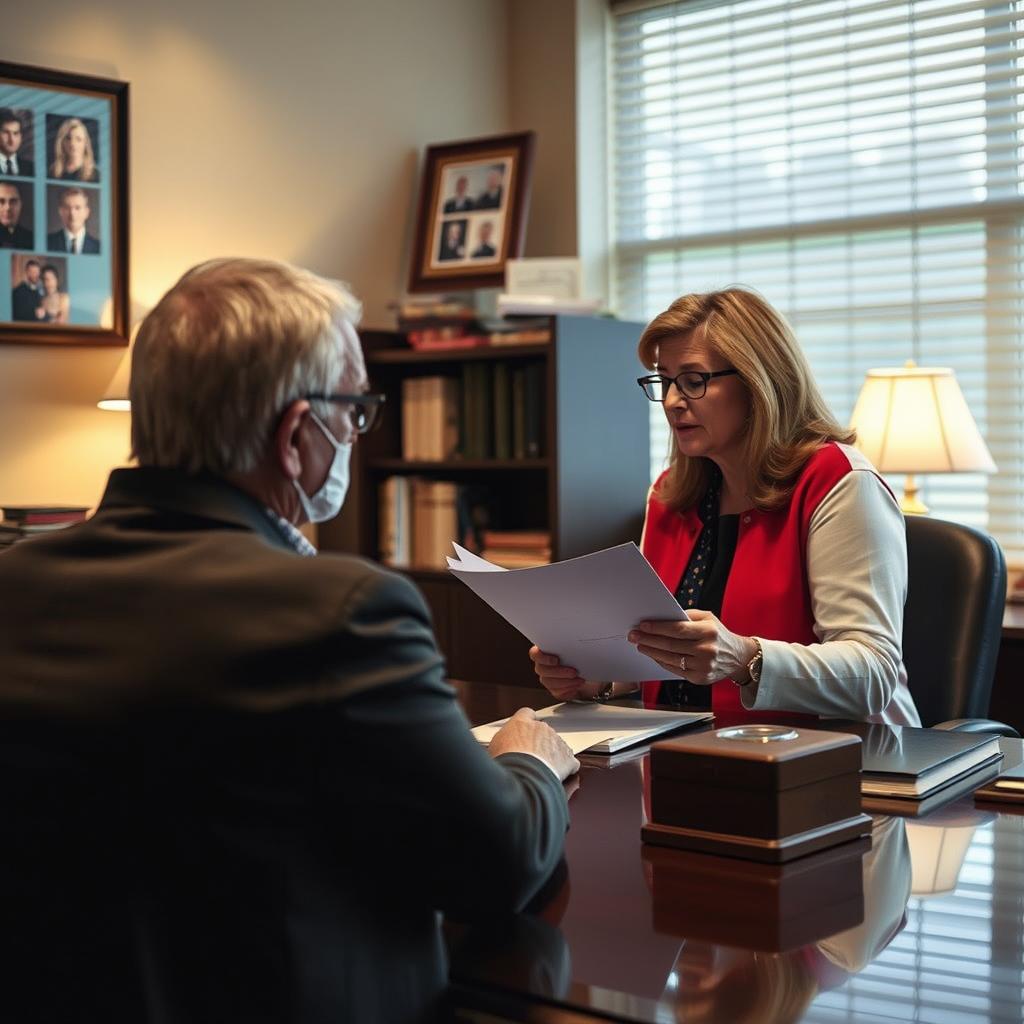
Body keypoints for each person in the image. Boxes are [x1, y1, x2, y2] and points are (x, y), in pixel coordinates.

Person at [0, 257, 577, 1023]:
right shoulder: (339, 612)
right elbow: (495, 864)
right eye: (355, 412)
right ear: (297, 434)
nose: (356, 434)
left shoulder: (15, 583)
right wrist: (529, 762)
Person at [530, 287, 920, 727]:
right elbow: (669, 656)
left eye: (694, 380)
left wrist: (746, 658)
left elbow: (872, 674)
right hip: (691, 747)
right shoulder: (669, 494)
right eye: (665, 381)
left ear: (758, 382)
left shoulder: (840, 481)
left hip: (842, 756)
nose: (673, 401)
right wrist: (599, 680)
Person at [47, 186, 100, 254]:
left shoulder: (98, 247)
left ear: (87, 212)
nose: (72, 213)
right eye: (67, 208)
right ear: (60, 211)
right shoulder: (48, 242)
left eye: (77, 208)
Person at [50, 117, 99, 182]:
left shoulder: (96, 174)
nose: (72, 144)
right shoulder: (53, 171)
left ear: (85, 143)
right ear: (61, 142)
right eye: (68, 138)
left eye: (78, 139)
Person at [0, 108, 34, 177]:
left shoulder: (31, 167)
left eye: (16, 133)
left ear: (21, 136)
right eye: (6, 133)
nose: (11, 140)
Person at [0, 181, 32, 249]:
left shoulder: (32, 239)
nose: (8, 208)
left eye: (13, 201)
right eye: (1, 201)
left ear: (21, 205)